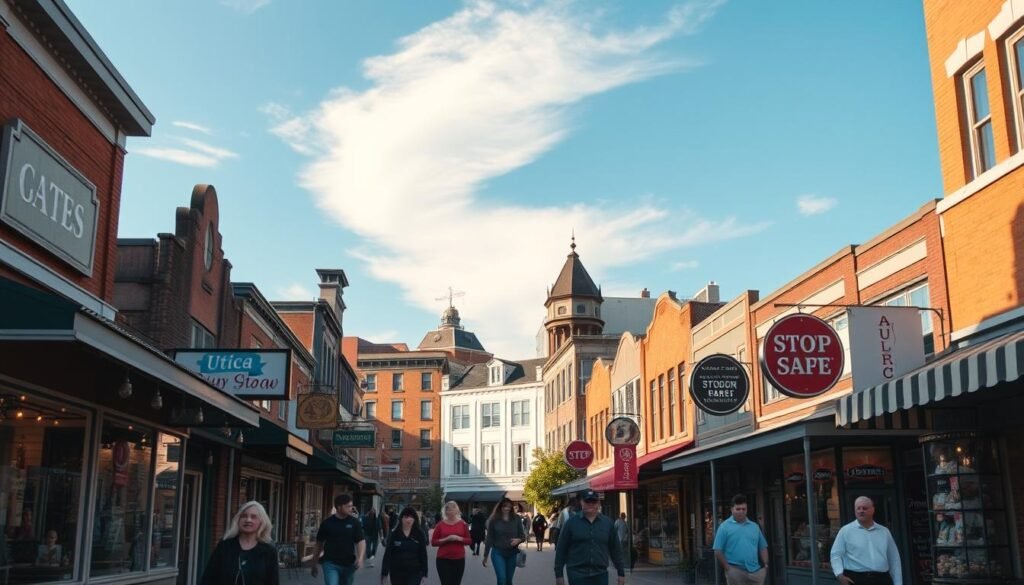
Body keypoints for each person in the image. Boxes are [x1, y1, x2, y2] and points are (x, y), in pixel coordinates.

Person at [554, 489, 625, 585]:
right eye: (587, 501)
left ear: (599, 503)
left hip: (600, 575)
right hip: (577, 575)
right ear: (581, 502)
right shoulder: (571, 524)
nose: (590, 504)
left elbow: (615, 549)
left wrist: (621, 573)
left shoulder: (607, 523)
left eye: (593, 501)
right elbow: (561, 550)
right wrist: (559, 575)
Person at [201, 501, 279, 585]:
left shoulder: (269, 551)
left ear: (262, 522)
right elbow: (209, 578)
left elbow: (273, 581)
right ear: (238, 520)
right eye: (244, 516)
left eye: (253, 517)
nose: (248, 520)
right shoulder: (225, 546)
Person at [830, 496, 903, 585]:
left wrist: (898, 583)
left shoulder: (884, 532)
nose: (861, 511)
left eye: (865, 508)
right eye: (858, 508)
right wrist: (839, 575)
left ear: (873, 510)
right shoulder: (845, 531)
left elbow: (894, 559)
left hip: (882, 579)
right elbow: (835, 554)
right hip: (856, 579)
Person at [712, 494, 768, 585]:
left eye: (743, 509)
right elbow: (717, 550)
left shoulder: (754, 527)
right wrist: (728, 568)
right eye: (738, 509)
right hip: (735, 571)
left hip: (755, 572)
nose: (741, 511)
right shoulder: (724, 527)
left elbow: (763, 546)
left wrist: (766, 564)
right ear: (731, 509)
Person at [311, 493, 366, 585]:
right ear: (339, 507)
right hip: (330, 563)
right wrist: (314, 563)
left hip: (349, 564)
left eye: (351, 506)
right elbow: (319, 544)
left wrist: (360, 558)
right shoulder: (327, 523)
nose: (351, 509)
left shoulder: (354, 522)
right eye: (348, 506)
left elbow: (361, 541)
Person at [482, 497, 527, 585]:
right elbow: (489, 538)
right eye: (505, 506)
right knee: (502, 579)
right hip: (498, 552)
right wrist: (485, 555)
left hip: (512, 553)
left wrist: (519, 540)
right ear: (500, 507)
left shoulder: (516, 518)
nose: (507, 508)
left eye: (509, 507)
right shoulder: (494, 520)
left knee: (509, 580)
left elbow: (523, 536)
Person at [381, 507, 429, 585]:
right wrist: (384, 573)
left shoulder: (419, 534)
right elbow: (388, 554)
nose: (408, 520)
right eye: (406, 517)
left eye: (411, 517)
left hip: (415, 572)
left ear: (414, 519)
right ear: (401, 519)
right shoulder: (394, 533)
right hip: (397, 572)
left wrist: (424, 574)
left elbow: (423, 554)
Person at [431, 501, 471, 585]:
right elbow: (433, 542)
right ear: (445, 512)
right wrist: (446, 539)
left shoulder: (463, 524)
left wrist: (459, 538)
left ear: (457, 510)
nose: (451, 511)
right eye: (448, 509)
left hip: (459, 559)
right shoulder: (440, 525)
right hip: (443, 559)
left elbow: (469, 541)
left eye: (453, 508)